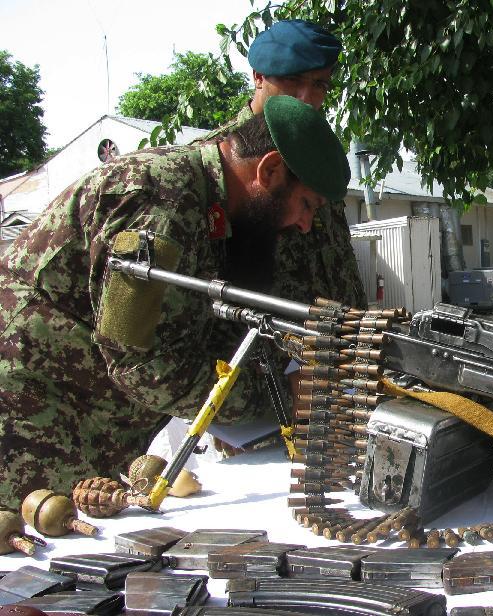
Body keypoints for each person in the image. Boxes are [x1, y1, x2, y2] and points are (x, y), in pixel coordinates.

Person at [0, 96, 350, 506]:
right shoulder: (161, 201)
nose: (306, 226)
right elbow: (140, 363)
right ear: (269, 170)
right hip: (30, 422)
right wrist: (276, 395)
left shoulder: (217, 208)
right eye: (307, 205)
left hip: (91, 422)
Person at [201, 19, 366, 309]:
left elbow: (336, 254)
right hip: (265, 342)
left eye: (319, 85)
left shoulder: (318, 153)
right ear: (258, 76)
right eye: (293, 80)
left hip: (334, 338)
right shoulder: (218, 165)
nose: (306, 98)